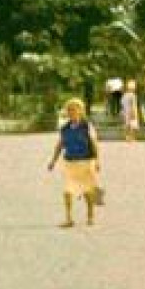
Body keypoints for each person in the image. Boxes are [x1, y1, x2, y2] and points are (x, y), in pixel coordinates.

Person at [47, 98, 101, 228]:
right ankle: (69, 218)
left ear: (81, 111)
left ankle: (90, 215)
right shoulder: (65, 128)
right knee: (67, 191)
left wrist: (98, 160)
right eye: (69, 110)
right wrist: (53, 161)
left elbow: (94, 144)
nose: (71, 112)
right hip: (70, 162)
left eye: (74, 109)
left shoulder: (87, 126)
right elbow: (60, 145)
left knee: (87, 191)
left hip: (86, 161)